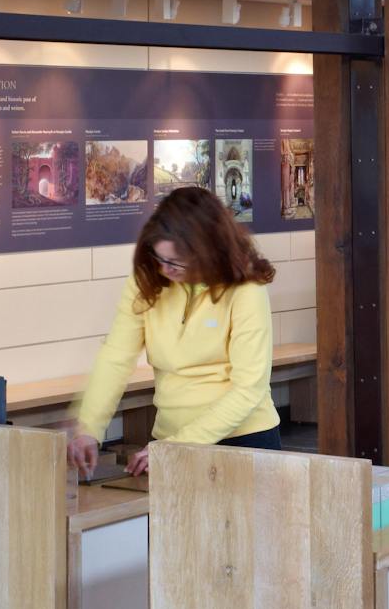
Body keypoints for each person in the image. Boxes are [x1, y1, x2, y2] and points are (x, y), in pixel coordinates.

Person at [64, 185, 280, 480]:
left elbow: (249, 389)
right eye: (159, 258)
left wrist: (177, 446)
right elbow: (116, 356)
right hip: (170, 439)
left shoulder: (246, 290)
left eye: (176, 262)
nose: (166, 270)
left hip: (242, 441)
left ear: (208, 251)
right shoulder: (148, 281)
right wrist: (88, 428)